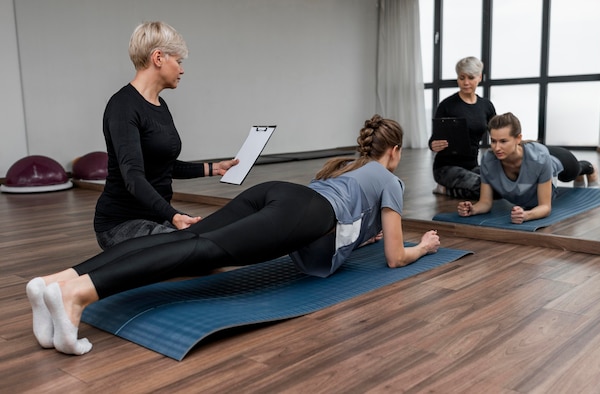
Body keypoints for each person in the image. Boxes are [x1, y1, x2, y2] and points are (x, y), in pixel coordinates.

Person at [26, 114, 441, 355]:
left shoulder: (348, 168)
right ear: (395, 153)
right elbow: (393, 256)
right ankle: (77, 296)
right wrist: (421, 248)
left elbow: (352, 225)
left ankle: (56, 282)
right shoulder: (390, 180)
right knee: (204, 251)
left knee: (184, 239)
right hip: (304, 213)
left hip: (277, 193)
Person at [94, 21, 239, 250]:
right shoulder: (123, 106)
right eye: (179, 62)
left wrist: (215, 168)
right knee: (197, 250)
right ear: (158, 58)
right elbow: (133, 177)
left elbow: (162, 165)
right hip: (121, 224)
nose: (181, 70)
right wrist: (173, 216)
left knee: (211, 242)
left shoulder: (160, 105)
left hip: (155, 217)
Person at [457, 112, 599, 224]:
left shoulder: (539, 159)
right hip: (532, 154)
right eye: (493, 141)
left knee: (571, 174)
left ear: (518, 138)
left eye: (503, 141)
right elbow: (485, 203)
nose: (497, 147)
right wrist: (473, 209)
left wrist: (526, 215)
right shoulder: (489, 159)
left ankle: (588, 168)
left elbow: (545, 207)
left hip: (557, 159)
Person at [429, 56, 496, 199]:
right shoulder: (447, 105)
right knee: (484, 188)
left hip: (471, 166)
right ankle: (445, 190)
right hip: (446, 168)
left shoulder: (486, 106)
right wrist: (433, 144)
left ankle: (451, 190)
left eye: (471, 78)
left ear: (479, 77)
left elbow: (498, 133)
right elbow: (434, 138)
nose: (466, 82)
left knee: (498, 184)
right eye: (461, 78)